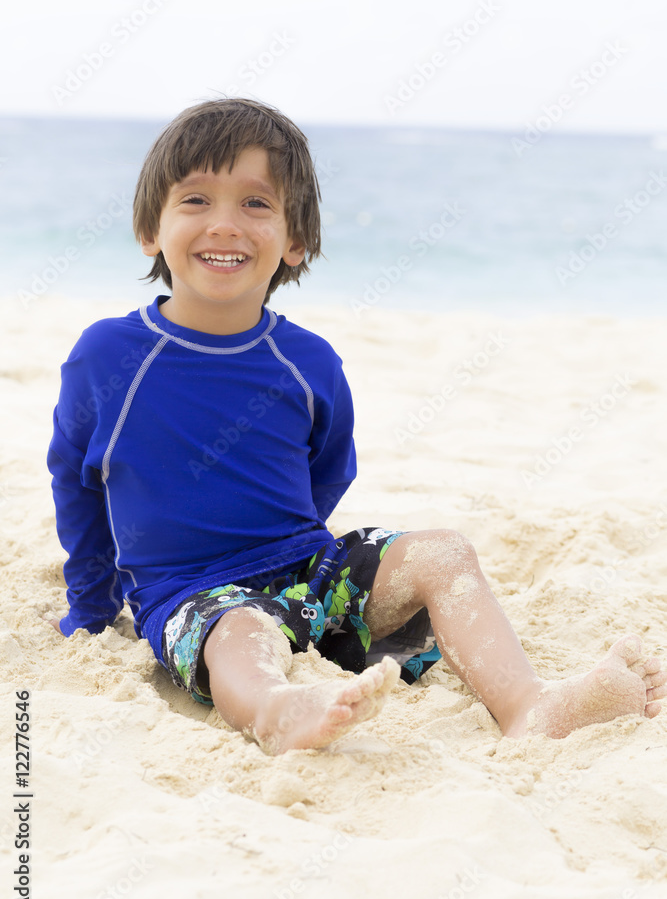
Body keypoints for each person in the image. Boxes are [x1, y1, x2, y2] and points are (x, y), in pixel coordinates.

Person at [45, 97, 666, 755]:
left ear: (295, 241)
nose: (224, 225)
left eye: (256, 204)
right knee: (241, 634)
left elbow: (328, 464)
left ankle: (527, 705)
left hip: (311, 570)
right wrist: (91, 607)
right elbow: (76, 480)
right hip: (193, 593)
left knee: (444, 552)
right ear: (150, 230)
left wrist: (304, 552)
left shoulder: (307, 362)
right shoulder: (109, 355)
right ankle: (278, 710)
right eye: (195, 200)